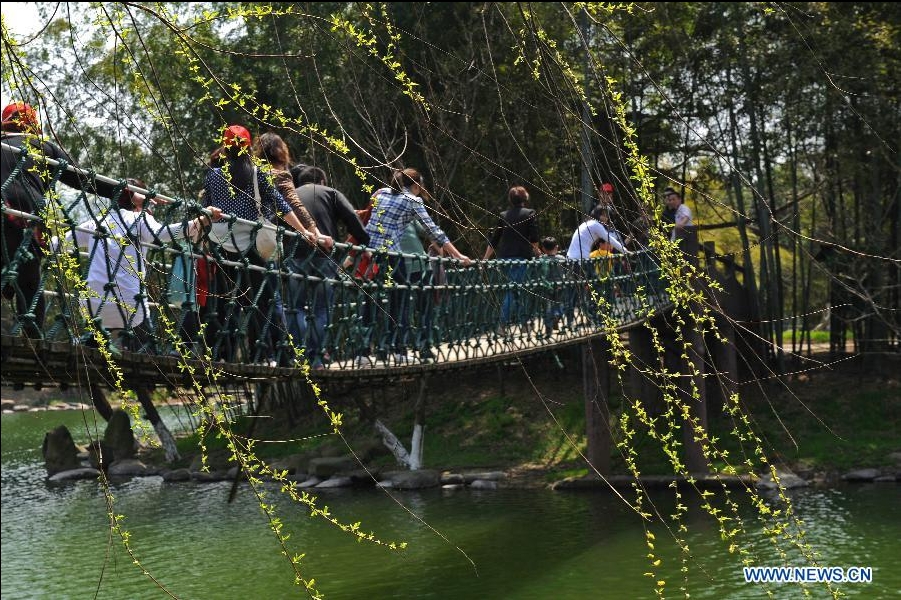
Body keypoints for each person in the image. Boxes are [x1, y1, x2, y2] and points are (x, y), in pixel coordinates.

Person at [60, 178, 222, 351]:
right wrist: (203, 219)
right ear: (140, 200)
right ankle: (145, 356)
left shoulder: (96, 222)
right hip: (130, 307)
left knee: (101, 327)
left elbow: (57, 243)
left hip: (91, 307)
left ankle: (91, 346)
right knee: (145, 340)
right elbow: (165, 233)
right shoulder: (139, 219)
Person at [203, 124, 318, 363]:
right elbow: (282, 206)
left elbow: (207, 206)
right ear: (247, 147)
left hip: (222, 243)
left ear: (225, 146)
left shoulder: (214, 175)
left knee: (226, 300)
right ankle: (274, 354)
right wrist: (305, 231)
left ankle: (219, 355)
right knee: (264, 301)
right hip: (253, 246)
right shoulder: (257, 173)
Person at [1, 102, 118, 337]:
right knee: (30, 284)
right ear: (34, 124)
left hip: (9, 211)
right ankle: (32, 342)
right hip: (25, 221)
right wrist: (122, 191)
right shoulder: (41, 146)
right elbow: (80, 178)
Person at [355, 167, 471, 367]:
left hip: (368, 254)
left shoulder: (380, 192)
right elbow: (434, 232)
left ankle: (363, 353)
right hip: (390, 254)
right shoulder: (413, 200)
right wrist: (459, 255)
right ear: (416, 185)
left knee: (370, 301)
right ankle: (398, 350)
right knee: (399, 299)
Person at [288, 166, 369, 370]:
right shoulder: (331, 193)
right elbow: (352, 218)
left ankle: (300, 355)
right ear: (322, 181)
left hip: (295, 254)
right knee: (322, 307)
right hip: (324, 255)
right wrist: (363, 240)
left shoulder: (291, 194)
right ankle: (316, 359)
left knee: (295, 306)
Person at [482, 185, 539, 326]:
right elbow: (534, 236)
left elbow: (494, 240)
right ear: (525, 198)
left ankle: (524, 322)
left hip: (504, 259)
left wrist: (485, 258)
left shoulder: (503, 215)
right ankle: (503, 323)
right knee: (513, 290)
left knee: (516, 290)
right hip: (520, 258)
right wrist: (536, 250)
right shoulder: (529, 213)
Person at [538, 236, 566, 337]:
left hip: (546, 287)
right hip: (559, 286)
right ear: (557, 247)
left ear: (544, 249)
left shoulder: (541, 259)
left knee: (547, 308)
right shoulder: (562, 259)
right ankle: (557, 317)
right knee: (560, 304)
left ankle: (548, 329)